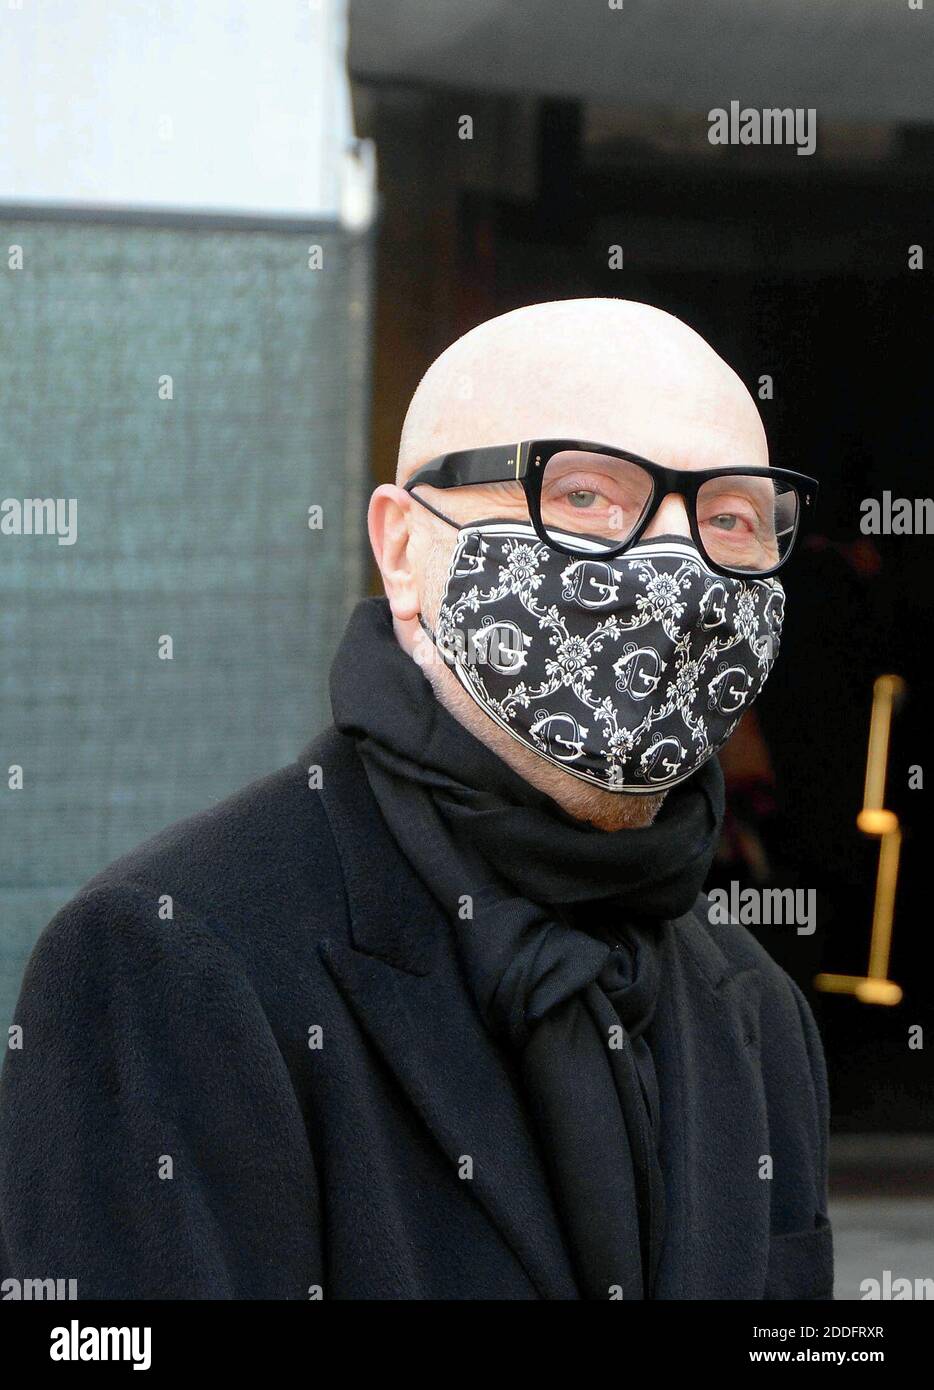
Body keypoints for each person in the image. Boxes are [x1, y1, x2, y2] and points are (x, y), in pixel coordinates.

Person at [0, 298, 832, 1300]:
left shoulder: (756, 1012)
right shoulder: (174, 957)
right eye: (582, 495)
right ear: (404, 548)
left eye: (729, 518)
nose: (677, 566)